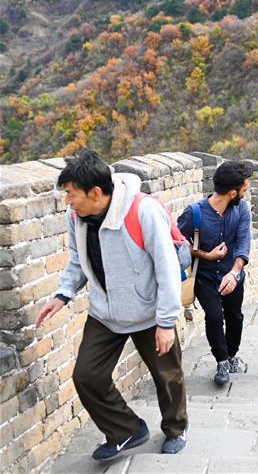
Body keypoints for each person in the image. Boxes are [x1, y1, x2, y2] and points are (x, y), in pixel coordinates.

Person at [34, 150, 188, 461]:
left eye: (71, 194)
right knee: (87, 376)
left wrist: (166, 322)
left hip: (149, 311)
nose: (68, 201)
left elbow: (167, 267)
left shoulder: (142, 211)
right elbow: (79, 260)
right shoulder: (76, 216)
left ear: (96, 192)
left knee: (167, 376)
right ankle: (126, 430)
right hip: (105, 312)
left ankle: (176, 428)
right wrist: (62, 295)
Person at [177, 160, 252, 386]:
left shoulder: (242, 209)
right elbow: (177, 243)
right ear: (232, 192)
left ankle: (231, 355)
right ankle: (221, 362)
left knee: (235, 317)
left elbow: (243, 241)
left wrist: (235, 272)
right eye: (245, 188)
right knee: (214, 317)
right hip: (205, 276)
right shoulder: (195, 212)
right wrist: (205, 255)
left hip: (232, 274)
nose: (246, 192)